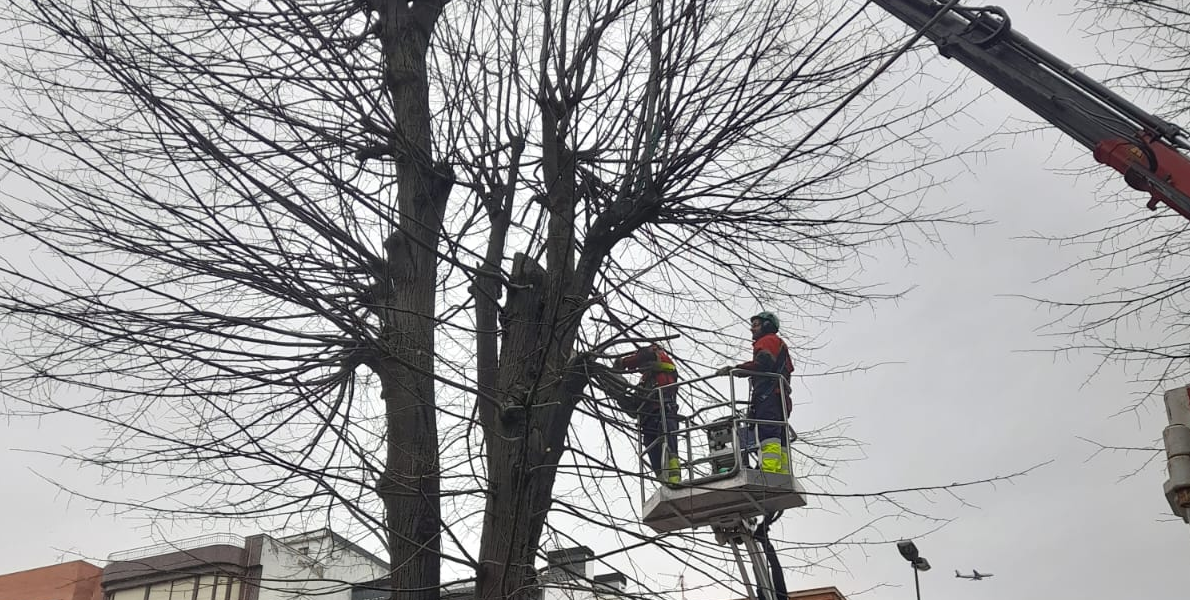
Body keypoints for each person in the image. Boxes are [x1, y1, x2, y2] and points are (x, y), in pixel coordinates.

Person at [716, 311, 794, 474]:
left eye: (755, 325)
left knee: (768, 433)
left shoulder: (768, 340)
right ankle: (782, 471)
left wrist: (737, 369)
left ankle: (770, 470)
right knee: (779, 436)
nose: (752, 329)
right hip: (777, 397)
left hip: (770, 396)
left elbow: (763, 363)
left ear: (767, 325)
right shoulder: (777, 343)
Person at [615, 343, 681, 483]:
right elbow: (634, 406)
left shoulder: (664, 362)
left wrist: (623, 362)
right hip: (648, 418)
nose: (640, 368)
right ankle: (663, 481)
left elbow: (646, 356)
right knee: (651, 446)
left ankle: (674, 478)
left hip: (664, 410)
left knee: (668, 441)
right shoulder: (644, 380)